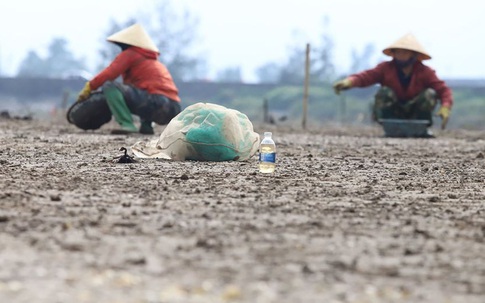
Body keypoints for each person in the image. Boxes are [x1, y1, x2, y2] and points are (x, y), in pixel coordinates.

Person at [76, 23, 181, 134]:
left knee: (110, 86)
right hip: (174, 109)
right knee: (141, 90)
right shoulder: (154, 62)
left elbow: (109, 73)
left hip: (156, 103)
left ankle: (127, 124)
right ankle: (146, 127)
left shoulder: (131, 53)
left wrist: (90, 86)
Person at [333, 33, 452, 131]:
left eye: (404, 52)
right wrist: (349, 82)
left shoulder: (425, 72)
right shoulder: (385, 68)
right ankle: (390, 126)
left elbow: (443, 90)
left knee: (429, 94)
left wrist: (445, 106)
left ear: (414, 55)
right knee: (384, 92)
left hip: (416, 111)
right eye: (398, 52)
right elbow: (367, 76)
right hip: (394, 110)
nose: (400, 56)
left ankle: (420, 127)